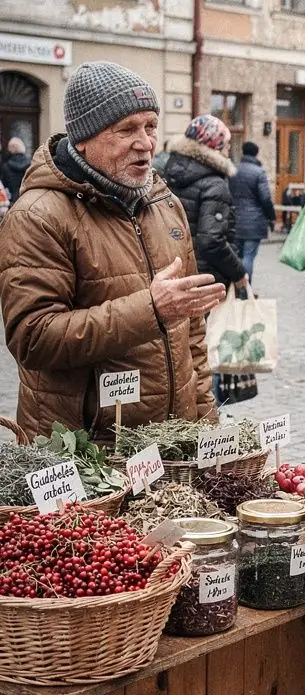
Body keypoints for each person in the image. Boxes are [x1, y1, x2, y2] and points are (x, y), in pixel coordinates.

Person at [0, 61, 223, 439]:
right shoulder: (38, 215)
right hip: (87, 449)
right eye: (127, 129)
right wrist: (151, 309)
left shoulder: (165, 204)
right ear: (83, 137)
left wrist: (205, 426)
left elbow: (192, 336)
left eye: (151, 126)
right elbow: (33, 338)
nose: (146, 142)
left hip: (168, 444)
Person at [163, 115, 247, 291]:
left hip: (174, 271)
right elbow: (211, 241)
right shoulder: (214, 184)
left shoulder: (170, 172)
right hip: (206, 279)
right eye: (226, 143)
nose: (229, 148)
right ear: (215, 145)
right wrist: (238, 272)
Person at [230, 140, 276, 281]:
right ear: (256, 154)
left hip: (236, 219)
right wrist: (271, 217)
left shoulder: (233, 170)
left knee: (238, 256)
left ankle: (237, 289)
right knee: (249, 256)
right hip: (254, 221)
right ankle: (245, 289)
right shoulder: (259, 172)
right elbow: (265, 198)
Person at [1, 137, 29, 204]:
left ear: (10, 149)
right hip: (27, 199)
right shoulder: (30, 164)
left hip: (12, 201)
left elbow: (3, 186)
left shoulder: (6, 166)